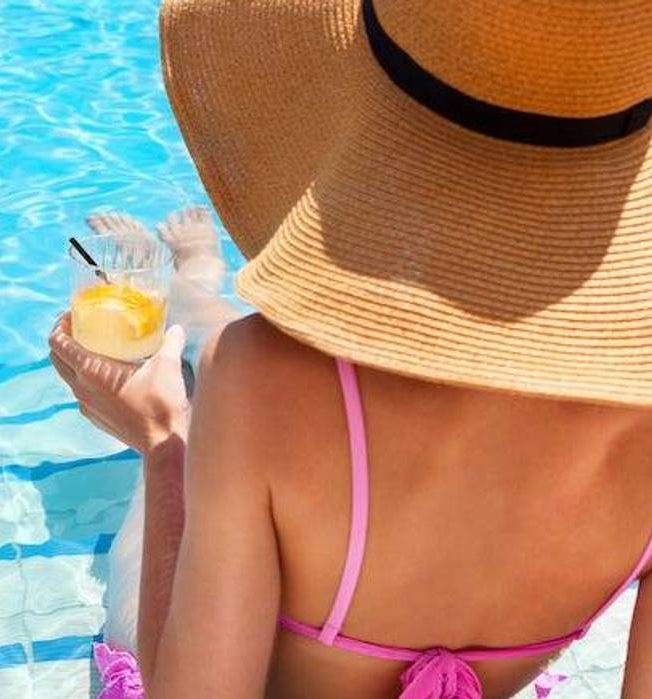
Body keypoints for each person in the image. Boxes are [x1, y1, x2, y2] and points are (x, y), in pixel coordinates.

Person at [47, 1, 652, 697]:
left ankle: (192, 289)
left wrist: (159, 442)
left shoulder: (257, 378)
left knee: (178, 459)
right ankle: (194, 289)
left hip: (269, 414)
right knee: (234, 364)